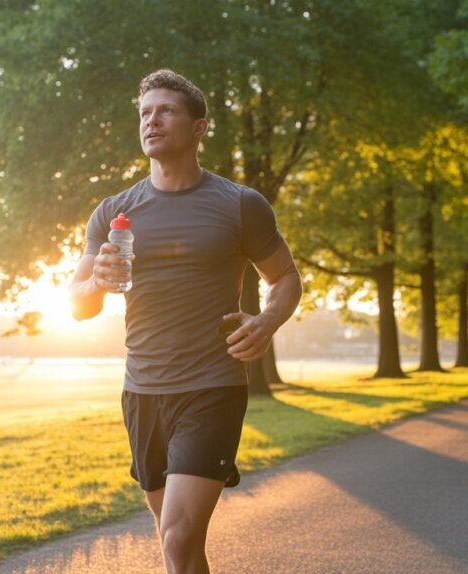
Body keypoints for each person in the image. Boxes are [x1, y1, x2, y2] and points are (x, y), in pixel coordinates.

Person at [68, 69, 302, 574]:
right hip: (143, 392)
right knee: (181, 545)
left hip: (212, 387)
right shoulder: (113, 212)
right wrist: (97, 285)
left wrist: (267, 322)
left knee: (176, 537)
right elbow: (77, 304)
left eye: (166, 110)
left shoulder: (240, 205)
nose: (152, 120)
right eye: (145, 113)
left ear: (199, 127)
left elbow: (286, 277)